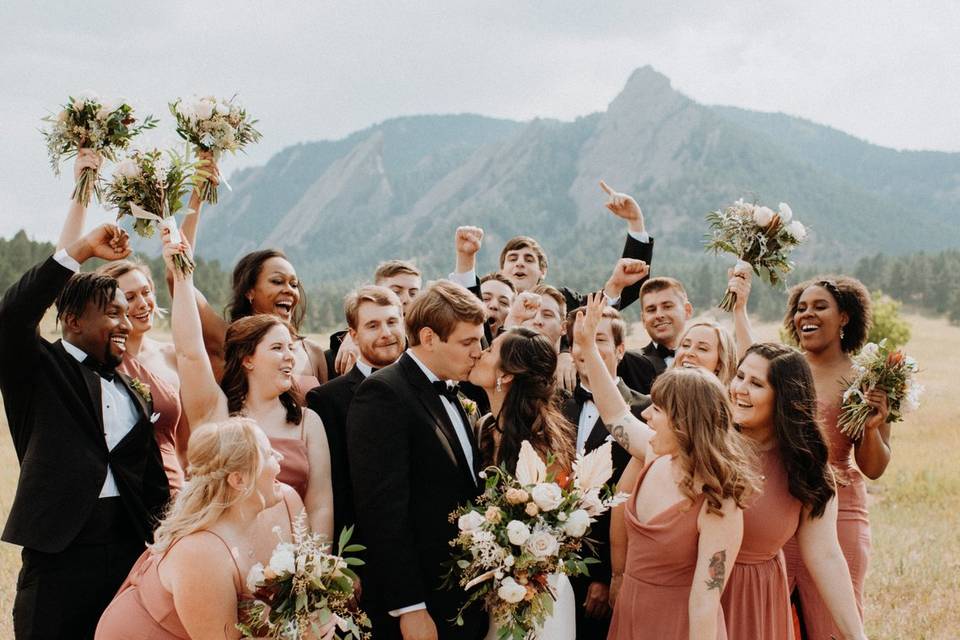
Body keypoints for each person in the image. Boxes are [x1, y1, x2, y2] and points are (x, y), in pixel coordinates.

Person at [0, 223, 170, 639]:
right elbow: (13, 315)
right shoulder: (37, 370)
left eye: (128, 315)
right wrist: (80, 250)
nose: (126, 324)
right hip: (60, 558)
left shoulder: (136, 390)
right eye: (113, 312)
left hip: (130, 556)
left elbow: (152, 483)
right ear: (73, 321)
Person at [573, 294, 757, 639]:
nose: (645, 414)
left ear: (685, 423)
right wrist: (587, 344)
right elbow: (615, 413)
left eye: (657, 409)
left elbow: (705, 602)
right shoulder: (657, 456)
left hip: (676, 625)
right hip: (630, 612)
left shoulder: (719, 500)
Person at [732, 273, 889, 639]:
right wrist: (739, 308)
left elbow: (875, 467)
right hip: (781, 503)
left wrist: (870, 427)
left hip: (839, 510)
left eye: (820, 307)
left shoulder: (867, 379)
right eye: (801, 307)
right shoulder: (786, 370)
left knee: (833, 622)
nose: (807, 314)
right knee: (770, 614)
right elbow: (750, 367)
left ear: (845, 317)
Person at [96, 417, 337, 640]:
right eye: (268, 453)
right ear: (238, 480)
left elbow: (308, 581)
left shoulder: (287, 500)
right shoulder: (200, 553)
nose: (280, 458)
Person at [164, 234, 334, 541]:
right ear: (248, 359)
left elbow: (320, 505)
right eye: (277, 348)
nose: (289, 356)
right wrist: (181, 273)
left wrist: (315, 571)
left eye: (290, 348)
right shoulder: (217, 413)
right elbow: (189, 351)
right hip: (226, 559)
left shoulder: (309, 422)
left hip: (292, 565)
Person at [348, 280, 487, 640]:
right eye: (468, 342)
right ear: (428, 337)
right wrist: (410, 607)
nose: (479, 351)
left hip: (464, 595)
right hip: (422, 601)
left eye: (480, 340)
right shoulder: (384, 394)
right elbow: (382, 511)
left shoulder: (455, 391)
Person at [55, 150, 190, 491]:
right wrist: (82, 192)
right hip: (126, 496)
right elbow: (63, 281)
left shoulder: (172, 355)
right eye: (129, 298)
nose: (143, 303)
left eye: (146, 292)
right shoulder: (99, 364)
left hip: (175, 491)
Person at [723, 343, 867, 639]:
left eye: (756, 383)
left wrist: (856, 636)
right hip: (692, 596)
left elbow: (826, 555)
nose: (739, 389)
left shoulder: (807, 470)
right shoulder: (710, 444)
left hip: (756, 607)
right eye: (739, 376)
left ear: (783, 399)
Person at [608, 318, 740, 608]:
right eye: (686, 344)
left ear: (721, 363)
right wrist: (620, 574)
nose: (689, 352)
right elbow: (622, 501)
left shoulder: (723, 476)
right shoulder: (656, 448)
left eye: (702, 347)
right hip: (638, 594)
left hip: (691, 600)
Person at [467, 327, 577, 639]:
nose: (479, 352)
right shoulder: (484, 428)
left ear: (507, 374)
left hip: (538, 593)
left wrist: (520, 578)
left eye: (489, 350)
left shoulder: (543, 444)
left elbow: (553, 527)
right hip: (493, 588)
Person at [559, 305, 649, 639]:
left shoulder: (644, 411)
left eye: (597, 339)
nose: (586, 349)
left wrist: (606, 575)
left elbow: (633, 500)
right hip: (550, 565)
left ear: (621, 349)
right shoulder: (556, 405)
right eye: (579, 341)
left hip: (607, 570)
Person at [306, 285, 405, 543]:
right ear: (353, 334)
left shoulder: (428, 386)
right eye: (372, 325)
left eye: (392, 322)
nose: (386, 333)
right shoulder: (327, 400)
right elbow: (335, 489)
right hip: (368, 549)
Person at [328, 259, 424, 375]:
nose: (406, 299)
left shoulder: (426, 347)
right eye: (396, 292)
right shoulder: (340, 354)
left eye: (413, 293)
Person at [617, 276, 694, 394]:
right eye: (651, 310)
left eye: (667, 306)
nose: (659, 315)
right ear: (643, 319)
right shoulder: (628, 363)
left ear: (687, 310)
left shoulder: (707, 357)